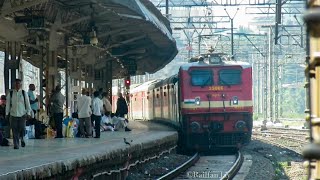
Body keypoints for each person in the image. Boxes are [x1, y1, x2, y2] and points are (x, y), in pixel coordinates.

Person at [6, 79, 32, 149]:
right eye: (16, 84)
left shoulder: (24, 93)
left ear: (21, 85)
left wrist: (29, 113)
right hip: (13, 114)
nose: (17, 85)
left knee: (22, 128)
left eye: (19, 84)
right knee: (14, 130)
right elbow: (8, 104)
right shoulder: (10, 94)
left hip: (22, 114)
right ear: (14, 85)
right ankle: (16, 144)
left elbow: (27, 104)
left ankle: (22, 138)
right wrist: (7, 113)